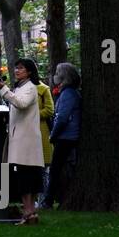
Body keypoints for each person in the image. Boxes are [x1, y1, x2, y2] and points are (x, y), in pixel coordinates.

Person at [0, 58, 45, 225]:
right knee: (24, 177)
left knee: (28, 177)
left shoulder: (30, 88)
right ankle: (29, 213)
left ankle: (29, 212)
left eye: (21, 68)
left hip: (26, 141)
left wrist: (3, 89)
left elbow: (21, 104)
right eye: (16, 68)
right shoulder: (21, 87)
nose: (17, 71)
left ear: (29, 71)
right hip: (20, 139)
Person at [46, 62, 82, 208]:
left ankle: (48, 200)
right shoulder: (69, 93)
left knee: (55, 170)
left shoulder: (68, 94)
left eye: (56, 73)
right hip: (67, 136)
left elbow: (62, 118)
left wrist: (53, 135)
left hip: (66, 137)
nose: (54, 76)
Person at [35, 71, 55, 205]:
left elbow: (49, 110)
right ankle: (34, 200)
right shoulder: (18, 89)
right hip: (25, 135)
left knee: (43, 169)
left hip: (41, 132)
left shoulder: (43, 89)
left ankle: (44, 200)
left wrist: (32, 114)